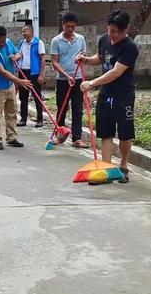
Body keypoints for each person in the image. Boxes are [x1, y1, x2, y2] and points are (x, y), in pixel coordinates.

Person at [78, 10, 139, 183]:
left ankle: (124, 166)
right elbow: (100, 58)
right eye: (110, 30)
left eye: (116, 32)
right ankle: (106, 169)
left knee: (125, 133)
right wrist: (86, 60)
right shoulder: (105, 39)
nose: (112, 35)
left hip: (123, 95)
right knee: (106, 132)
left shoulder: (130, 48)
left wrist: (91, 83)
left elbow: (115, 72)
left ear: (126, 29)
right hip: (106, 93)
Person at [0, 26, 32, 150]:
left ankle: (11, 137)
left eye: (3, 41)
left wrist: (16, 57)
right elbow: (2, 71)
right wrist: (19, 81)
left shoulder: (8, 42)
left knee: (12, 112)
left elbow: (18, 53)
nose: (2, 44)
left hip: (9, 85)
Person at [50, 12, 88, 148]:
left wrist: (82, 57)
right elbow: (54, 62)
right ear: (63, 25)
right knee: (62, 108)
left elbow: (83, 55)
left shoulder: (80, 39)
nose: (70, 29)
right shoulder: (56, 41)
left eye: (73, 26)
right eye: (67, 26)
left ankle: (76, 138)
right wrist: (66, 76)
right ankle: (59, 136)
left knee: (78, 109)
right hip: (62, 80)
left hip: (78, 79)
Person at [17, 23, 45, 128]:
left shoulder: (38, 43)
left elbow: (42, 59)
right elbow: (19, 54)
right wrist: (15, 57)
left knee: (37, 96)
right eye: (22, 31)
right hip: (23, 72)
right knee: (23, 96)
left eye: (25, 31)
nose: (23, 33)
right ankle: (23, 119)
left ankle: (40, 120)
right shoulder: (22, 43)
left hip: (34, 72)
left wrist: (41, 74)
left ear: (31, 32)